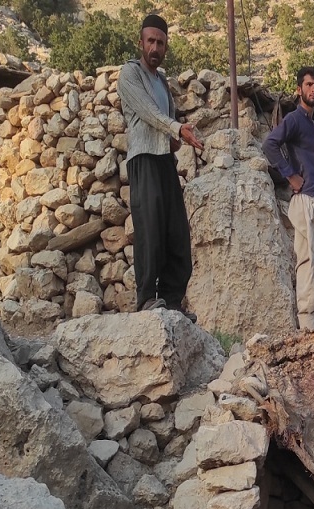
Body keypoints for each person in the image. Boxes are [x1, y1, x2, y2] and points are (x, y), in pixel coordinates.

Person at [117, 14, 203, 321]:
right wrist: (177, 130)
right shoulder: (130, 73)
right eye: (150, 41)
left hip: (165, 160)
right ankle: (146, 300)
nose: (155, 47)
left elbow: (169, 119)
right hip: (143, 159)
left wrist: (179, 134)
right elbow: (150, 113)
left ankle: (171, 300)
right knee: (150, 231)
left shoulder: (162, 81)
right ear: (140, 42)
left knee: (177, 234)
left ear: (166, 47)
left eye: (161, 42)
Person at [262, 66, 314, 331]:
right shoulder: (295, 120)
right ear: (299, 89)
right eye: (309, 85)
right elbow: (269, 145)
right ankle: (308, 328)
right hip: (306, 200)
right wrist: (290, 175)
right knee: (312, 264)